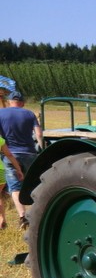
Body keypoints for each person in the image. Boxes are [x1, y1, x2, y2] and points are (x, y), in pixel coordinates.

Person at [0, 91, 44, 228]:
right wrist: (41, 148)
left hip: (10, 155)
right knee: (32, 184)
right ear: (23, 103)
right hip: (30, 154)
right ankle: (37, 215)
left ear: (9, 101)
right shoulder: (29, 114)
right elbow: (38, 133)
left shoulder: (1, 113)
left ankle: (22, 217)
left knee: (14, 187)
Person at [0, 136, 24, 229]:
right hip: (1, 170)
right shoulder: (0, 139)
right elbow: (9, 155)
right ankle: (2, 219)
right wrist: (18, 169)